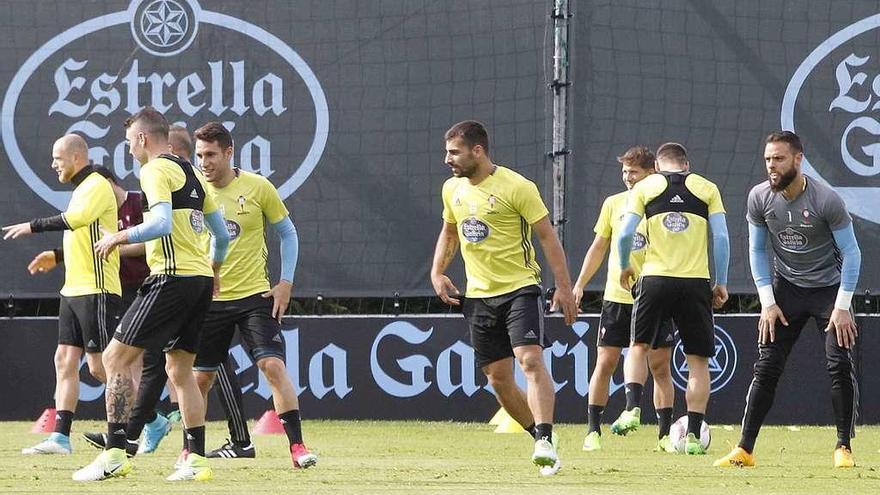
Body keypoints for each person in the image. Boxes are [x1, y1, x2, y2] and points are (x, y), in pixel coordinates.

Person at [72, 106, 230, 482]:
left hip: (171, 277)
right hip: (199, 281)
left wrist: (118, 236)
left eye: (130, 143)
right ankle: (196, 459)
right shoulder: (191, 172)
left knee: (113, 357)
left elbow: (159, 224)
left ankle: (114, 452)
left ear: (143, 139)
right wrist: (214, 269)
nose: (129, 151)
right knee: (180, 370)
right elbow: (221, 236)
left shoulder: (155, 169)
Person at [431, 120, 577, 476]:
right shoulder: (452, 189)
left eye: (454, 152)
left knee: (529, 360)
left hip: (520, 289)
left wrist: (564, 286)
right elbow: (449, 232)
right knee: (498, 378)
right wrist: (437, 271)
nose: (447, 159)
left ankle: (545, 436)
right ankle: (540, 439)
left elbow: (547, 237)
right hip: (478, 296)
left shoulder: (517, 186)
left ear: (477, 151)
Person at [714, 131, 861, 469]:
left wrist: (841, 307)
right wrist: (767, 301)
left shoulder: (827, 200)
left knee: (838, 363)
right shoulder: (759, 198)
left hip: (829, 291)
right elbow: (756, 250)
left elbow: (852, 254)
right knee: (766, 366)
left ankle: (843, 446)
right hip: (787, 290)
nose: (771, 166)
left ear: (798, 159)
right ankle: (744, 450)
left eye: (778, 158)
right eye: (768, 159)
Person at [190, 121, 317, 468]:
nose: (204, 162)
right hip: (209, 300)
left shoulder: (258, 187)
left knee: (272, 366)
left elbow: (287, 234)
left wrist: (285, 283)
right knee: (199, 378)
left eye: (211, 154)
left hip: (254, 298)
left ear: (229, 152)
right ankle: (192, 453)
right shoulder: (192, 191)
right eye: (199, 155)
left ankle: (297, 448)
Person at [3, 135, 122, 456]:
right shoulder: (82, 189)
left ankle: (145, 420)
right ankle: (60, 438)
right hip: (73, 289)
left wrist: (33, 225)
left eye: (58, 158)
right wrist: (56, 256)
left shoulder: (97, 184)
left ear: (76, 158)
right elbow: (83, 236)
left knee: (99, 367)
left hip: (97, 289)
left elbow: (77, 220)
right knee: (64, 359)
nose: (53, 164)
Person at [617, 142, 729, 455]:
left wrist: (625, 265)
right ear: (686, 164)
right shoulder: (707, 188)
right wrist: (720, 282)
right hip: (695, 283)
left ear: (658, 165)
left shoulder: (645, 187)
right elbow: (720, 237)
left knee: (638, 346)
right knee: (698, 363)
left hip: (654, 279)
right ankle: (693, 436)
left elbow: (626, 233)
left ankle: (631, 409)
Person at [572, 146, 676, 453]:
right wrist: (579, 285)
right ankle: (593, 431)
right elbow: (598, 247)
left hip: (654, 296)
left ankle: (665, 436)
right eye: (625, 172)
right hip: (617, 298)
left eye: (634, 172)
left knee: (660, 367)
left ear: (652, 174)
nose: (628, 178)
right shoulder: (613, 204)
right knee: (605, 362)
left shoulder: (665, 207)